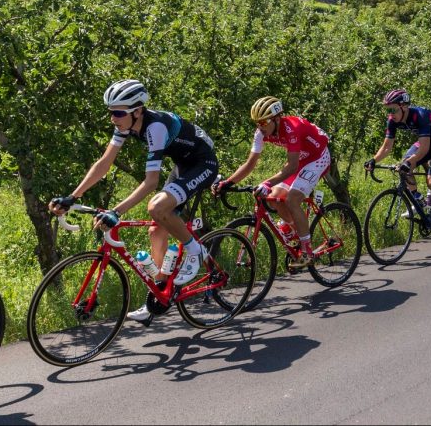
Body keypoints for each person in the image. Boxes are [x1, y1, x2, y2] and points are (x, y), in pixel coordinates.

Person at [48, 79, 218, 325]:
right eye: (110, 112)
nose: (112, 119)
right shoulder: (125, 125)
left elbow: (150, 182)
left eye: (118, 113)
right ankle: (159, 296)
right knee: (155, 229)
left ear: (137, 111)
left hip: (203, 164)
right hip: (183, 166)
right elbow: (104, 164)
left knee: (156, 207)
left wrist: (116, 211)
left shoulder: (155, 127)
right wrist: (73, 196)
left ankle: (195, 250)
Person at [212, 96, 330, 269]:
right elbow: (250, 163)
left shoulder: (291, 128)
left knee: (292, 199)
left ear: (276, 119)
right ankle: (296, 232)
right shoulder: (260, 133)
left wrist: (267, 183)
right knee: (274, 197)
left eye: (263, 122)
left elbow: (292, 166)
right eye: (257, 123)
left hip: (318, 158)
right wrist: (228, 183)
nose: (260, 127)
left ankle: (307, 251)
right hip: (301, 159)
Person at [366, 89, 431, 237]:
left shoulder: (420, 116)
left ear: (404, 106)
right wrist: (374, 160)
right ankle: (418, 199)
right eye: (388, 110)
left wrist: (410, 162)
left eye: (393, 109)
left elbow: (425, 148)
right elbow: (387, 146)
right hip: (426, 142)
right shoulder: (392, 120)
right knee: (404, 166)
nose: (391, 114)